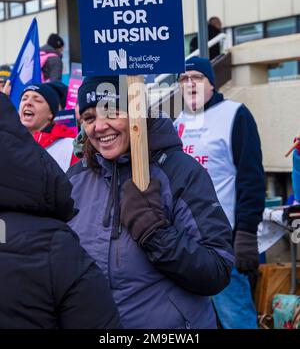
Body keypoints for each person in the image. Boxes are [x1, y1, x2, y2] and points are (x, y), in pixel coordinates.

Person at [67, 75, 234, 330]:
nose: (99, 127)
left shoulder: (180, 172)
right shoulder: (76, 179)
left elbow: (216, 271)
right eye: (89, 119)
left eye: (110, 112)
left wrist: (156, 234)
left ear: (136, 114)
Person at [0, 92, 121, 329]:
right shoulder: (54, 243)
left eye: (37, 99)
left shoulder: (65, 149)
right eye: (88, 118)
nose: (100, 126)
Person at [174, 56, 265, 329]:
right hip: (185, 240)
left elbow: (251, 178)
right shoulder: (177, 121)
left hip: (224, 239)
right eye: (183, 80)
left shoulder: (234, 114)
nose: (190, 84)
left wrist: (247, 233)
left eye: (197, 78)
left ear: (211, 84)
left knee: (236, 318)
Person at [19, 83, 77, 172]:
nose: (28, 103)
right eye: (24, 99)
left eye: (37, 100)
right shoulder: (7, 141)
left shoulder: (70, 147)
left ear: (51, 113)